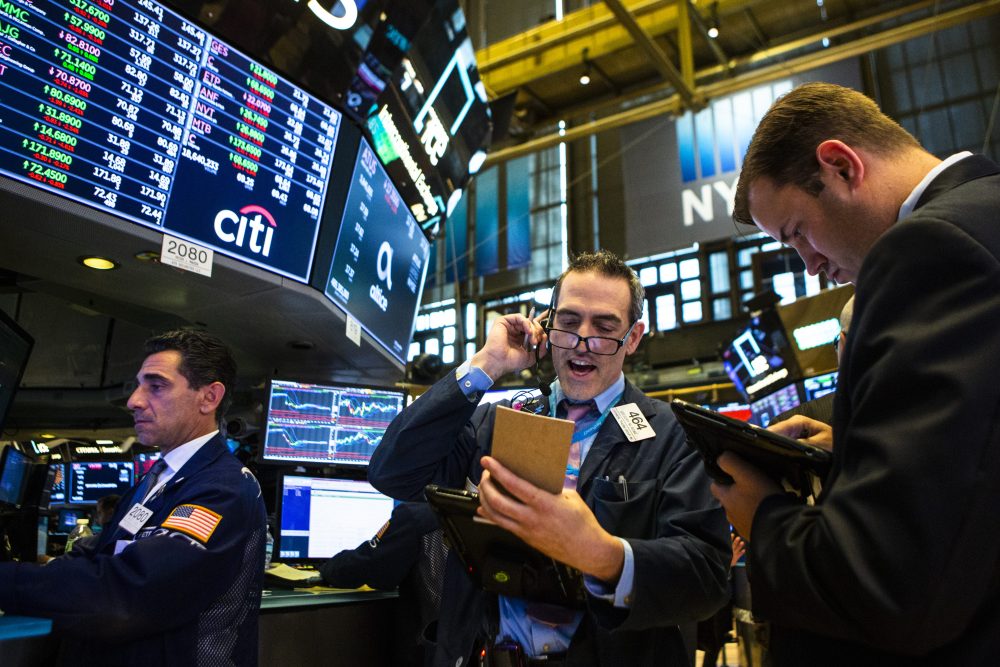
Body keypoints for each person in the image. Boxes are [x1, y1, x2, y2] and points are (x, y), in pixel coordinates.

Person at [713, 81, 1000, 665]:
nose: (811, 267)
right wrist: (854, 446)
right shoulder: (985, 213)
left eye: (796, 233)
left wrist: (764, 516)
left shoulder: (929, 247)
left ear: (841, 166)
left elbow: (891, 580)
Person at [369, 250, 731, 666]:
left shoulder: (673, 435)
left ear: (632, 338)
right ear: (546, 323)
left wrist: (603, 553)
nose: (582, 342)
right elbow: (392, 473)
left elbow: (706, 575)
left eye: (604, 328)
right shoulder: (496, 421)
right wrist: (487, 365)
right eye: (569, 322)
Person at [0, 329, 267, 666]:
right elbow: (102, 553)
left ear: (209, 397)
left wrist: (7, 581)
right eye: (139, 385)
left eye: (156, 386)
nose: (133, 401)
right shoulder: (158, 478)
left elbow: (126, 595)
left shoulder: (223, 488)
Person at [319, 501, 445, 667]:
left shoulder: (419, 517)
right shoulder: (482, 512)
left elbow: (369, 566)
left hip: (428, 651)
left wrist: (327, 569)